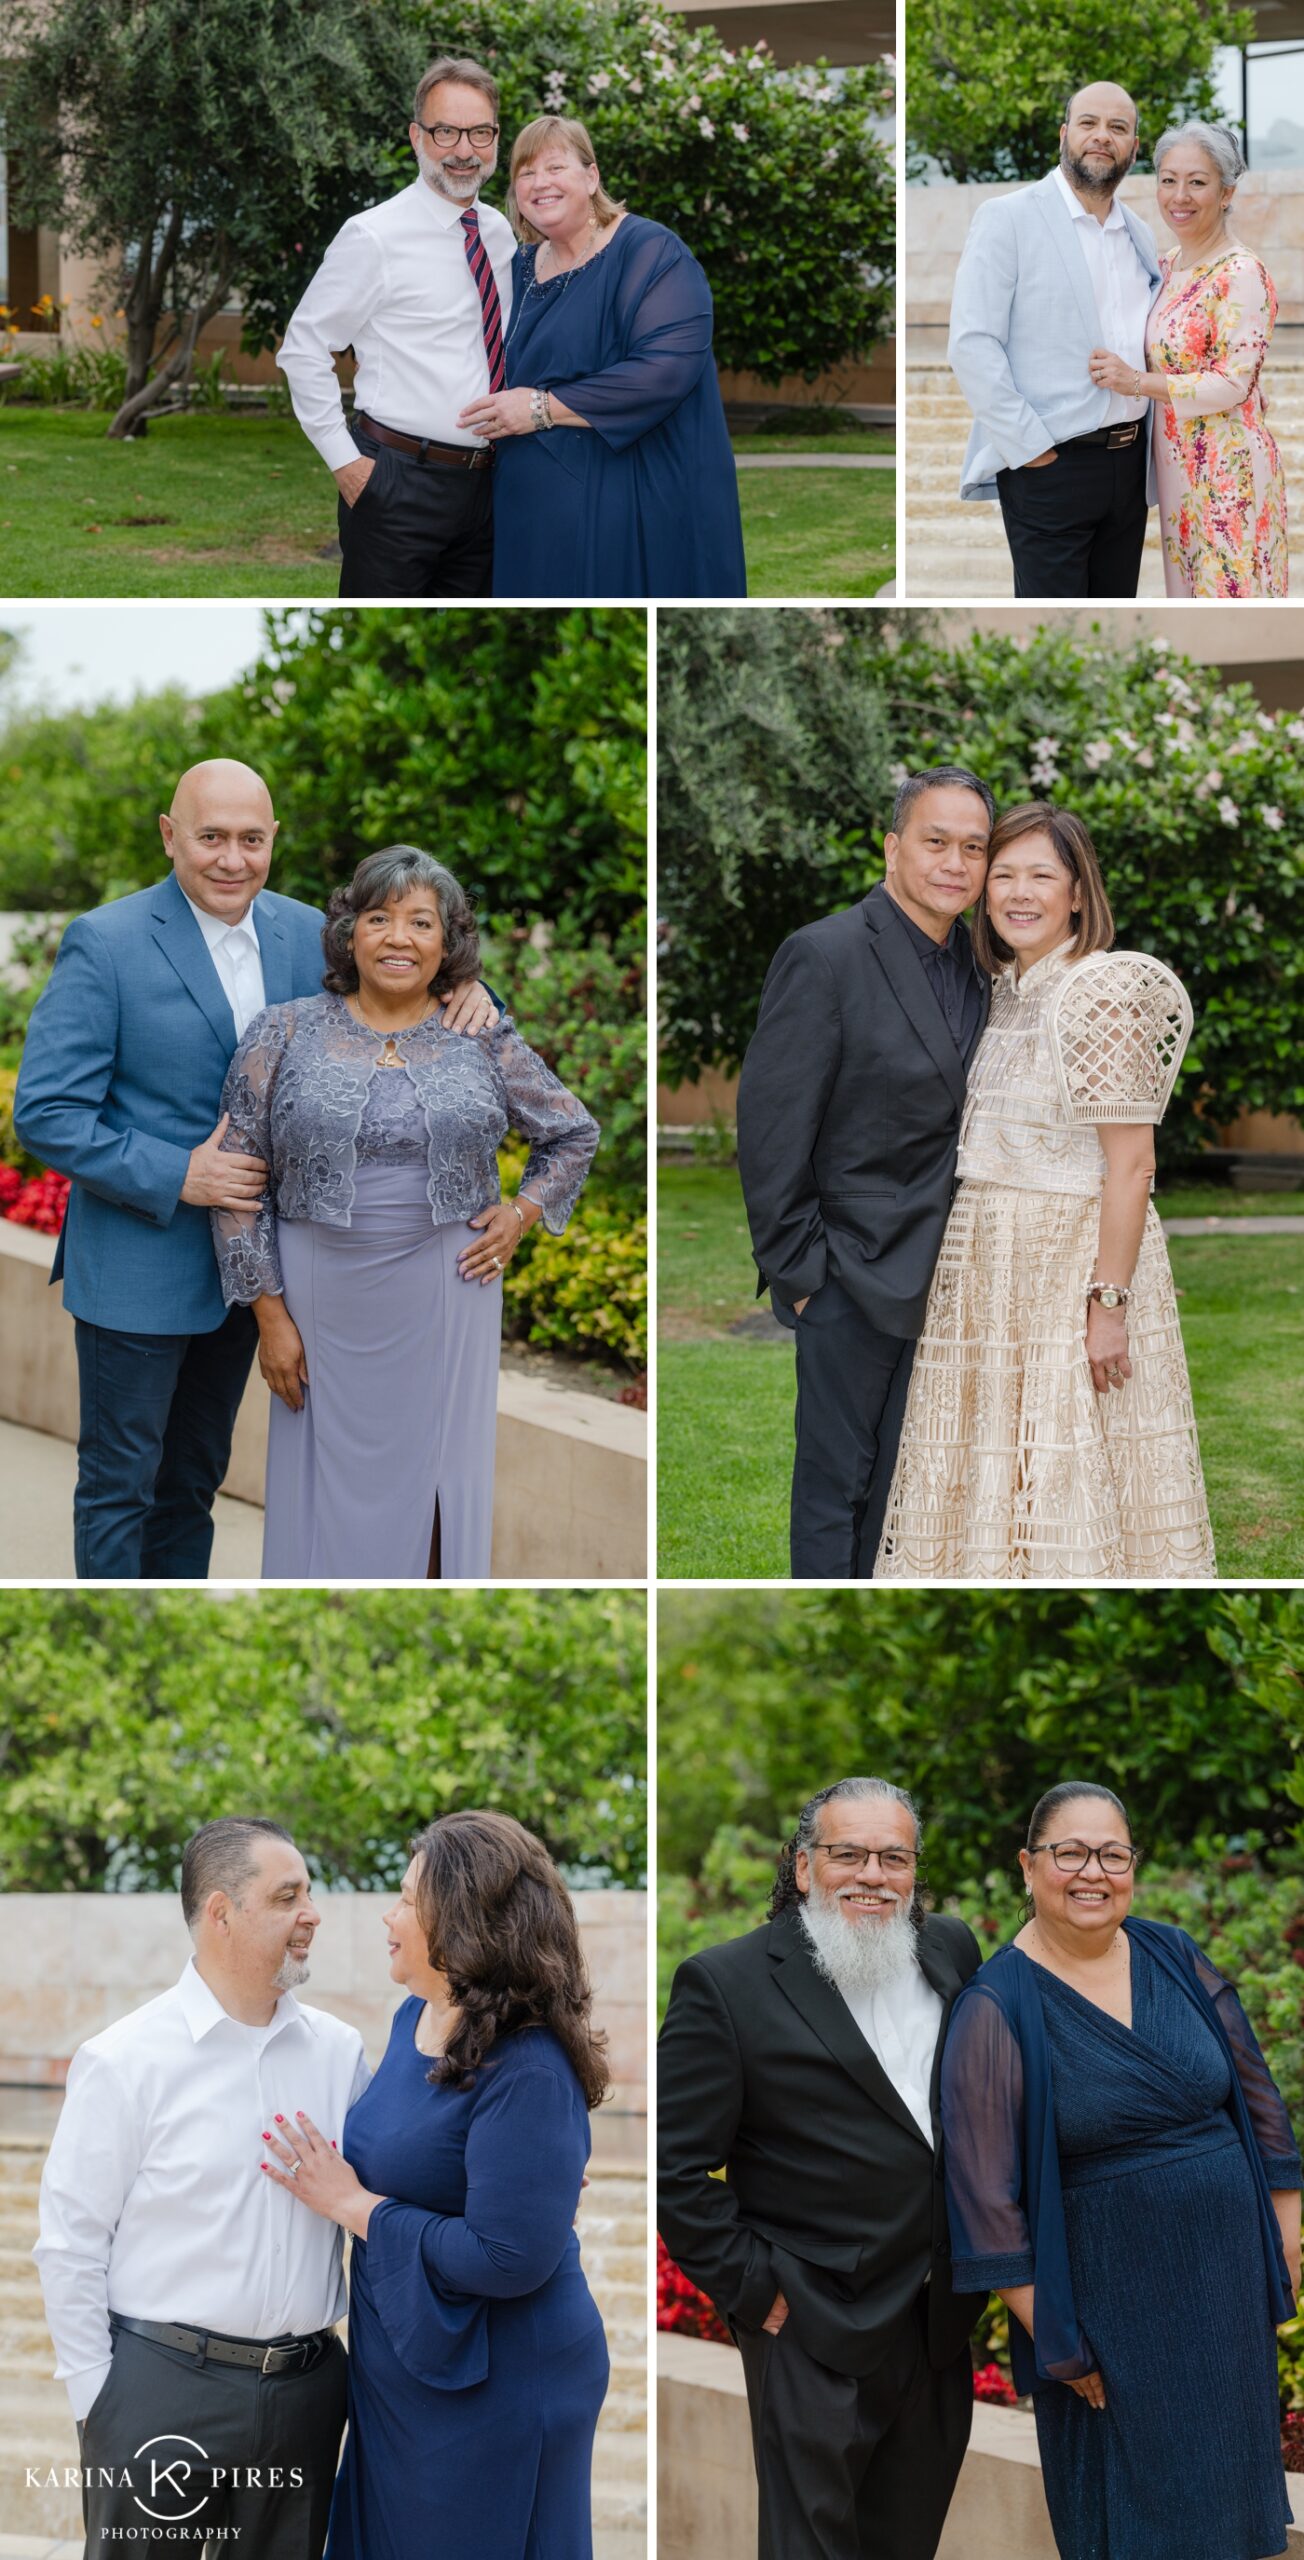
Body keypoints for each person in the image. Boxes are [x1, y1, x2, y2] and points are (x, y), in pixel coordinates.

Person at [12, 766, 492, 1580]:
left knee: (194, 1482)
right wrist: (178, 1173)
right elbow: (47, 1112)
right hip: (141, 1262)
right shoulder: (109, 940)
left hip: (268, 1275)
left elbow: (406, 975)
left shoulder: (310, 935)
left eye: (251, 839)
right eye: (211, 837)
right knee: (120, 1485)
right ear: (171, 835)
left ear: (274, 840)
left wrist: (468, 987)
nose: (232, 858)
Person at [211, 846, 599, 1580]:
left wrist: (520, 1214)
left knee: (437, 1490)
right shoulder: (282, 1032)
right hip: (318, 1296)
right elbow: (237, 1185)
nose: (398, 937)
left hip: (448, 1287)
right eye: (379, 918)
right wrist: (270, 1317)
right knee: (322, 1499)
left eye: (421, 922)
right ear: (349, 933)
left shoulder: (481, 1033)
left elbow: (573, 1132)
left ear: (447, 943)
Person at [941, 1782, 1301, 2560]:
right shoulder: (996, 2005)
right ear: (1028, 1867)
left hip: (1224, 2295)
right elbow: (984, 2201)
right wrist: (1058, 2337)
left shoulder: (1174, 1954)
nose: (1092, 1872)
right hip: (1111, 2313)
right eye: (1069, 1852)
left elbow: (1260, 2099)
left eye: (1113, 1854)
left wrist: (1286, 2235)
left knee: (1232, 2522)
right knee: (1140, 2525)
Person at [259, 1809, 611, 2560]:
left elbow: (510, 2257)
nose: (388, 1916)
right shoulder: (413, 2016)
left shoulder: (530, 2067)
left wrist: (354, 2206)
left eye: (407, 1900)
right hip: (403, 2370)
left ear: (465, 1919)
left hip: (502, 2380)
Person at [876, 800, 1214, 1579]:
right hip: (984, 1262)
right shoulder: (999, 989)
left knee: (1065, 1456)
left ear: (1076, 894)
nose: (1019, 893)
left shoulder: (1100, 993)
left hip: (1071, 1261)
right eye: (1003, 875)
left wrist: (1109, 1303)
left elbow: (1132, 1165)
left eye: (1041, 876)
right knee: (991, 1452)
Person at [658, 1778, 983, 2560]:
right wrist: (760, 2293)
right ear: (804, 1866)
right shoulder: (725, 1984)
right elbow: (677, 2171)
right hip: (811, 2330)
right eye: (848, 1853)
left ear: (913, 1870)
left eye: (893, 1857)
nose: (873, 1874)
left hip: (937, 2327)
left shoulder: (953, 1948)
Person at [34, 1818, 366, 2557]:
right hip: (161, 2391)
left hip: (308, 2389)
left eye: (308, 1894)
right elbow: (70, 2240)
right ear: (221, 1913)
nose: (312, 1914)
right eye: (288, 1897)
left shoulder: (341, 2055)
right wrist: (103, 2406)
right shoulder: (124, 2061)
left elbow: (401, 2172)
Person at [736, 766, 994, 1578]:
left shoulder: (983, 969)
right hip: (851, 1275)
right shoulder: (826, 954)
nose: (956, 863)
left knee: (905, 1493)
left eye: (974, 848)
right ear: (893, 848)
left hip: (954, 1278)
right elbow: (771, 1129)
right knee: (835, 1492)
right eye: (936, 841)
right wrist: (804, 1275)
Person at [455, 115, 747, 599]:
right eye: (525, 173)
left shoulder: (651, 252)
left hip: (629, 503)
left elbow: (664, 371)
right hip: (527, 508)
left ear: (591, 178)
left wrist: (537, 408)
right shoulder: (519, 267)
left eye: (555, 167)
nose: (540, 183)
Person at [278, 57, 516, 599]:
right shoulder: (373, 236)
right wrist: (347, 465)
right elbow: (303, 350)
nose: (463, 150)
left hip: (490, 487)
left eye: (480, 133)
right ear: (416, 137)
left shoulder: (501, 234)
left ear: (496, 139)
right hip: (395, 482)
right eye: (445, 131)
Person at [949, 83, 1161, 598]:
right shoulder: (1009, 218)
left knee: (1109, 623)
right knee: (1056, 621)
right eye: (1088, 123)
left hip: (1129, 467)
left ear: (1134, 148)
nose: (1101, 137)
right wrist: (1030, 448)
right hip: (1049, 465)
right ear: (1065, 135)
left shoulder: (1141, 235)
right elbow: (972, 343)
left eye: (1118, 128)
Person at [1088, 120, 1287, 596]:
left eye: (1197, 182)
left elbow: (1233, 383)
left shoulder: (1242, 272)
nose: (1180, 196)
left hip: (1228, 471)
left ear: (1226, 191)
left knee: (1229, 600)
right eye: (1168, 180)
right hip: (1178, 471)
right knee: (1188, 595)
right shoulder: (1166, 265)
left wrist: (1135, 382)